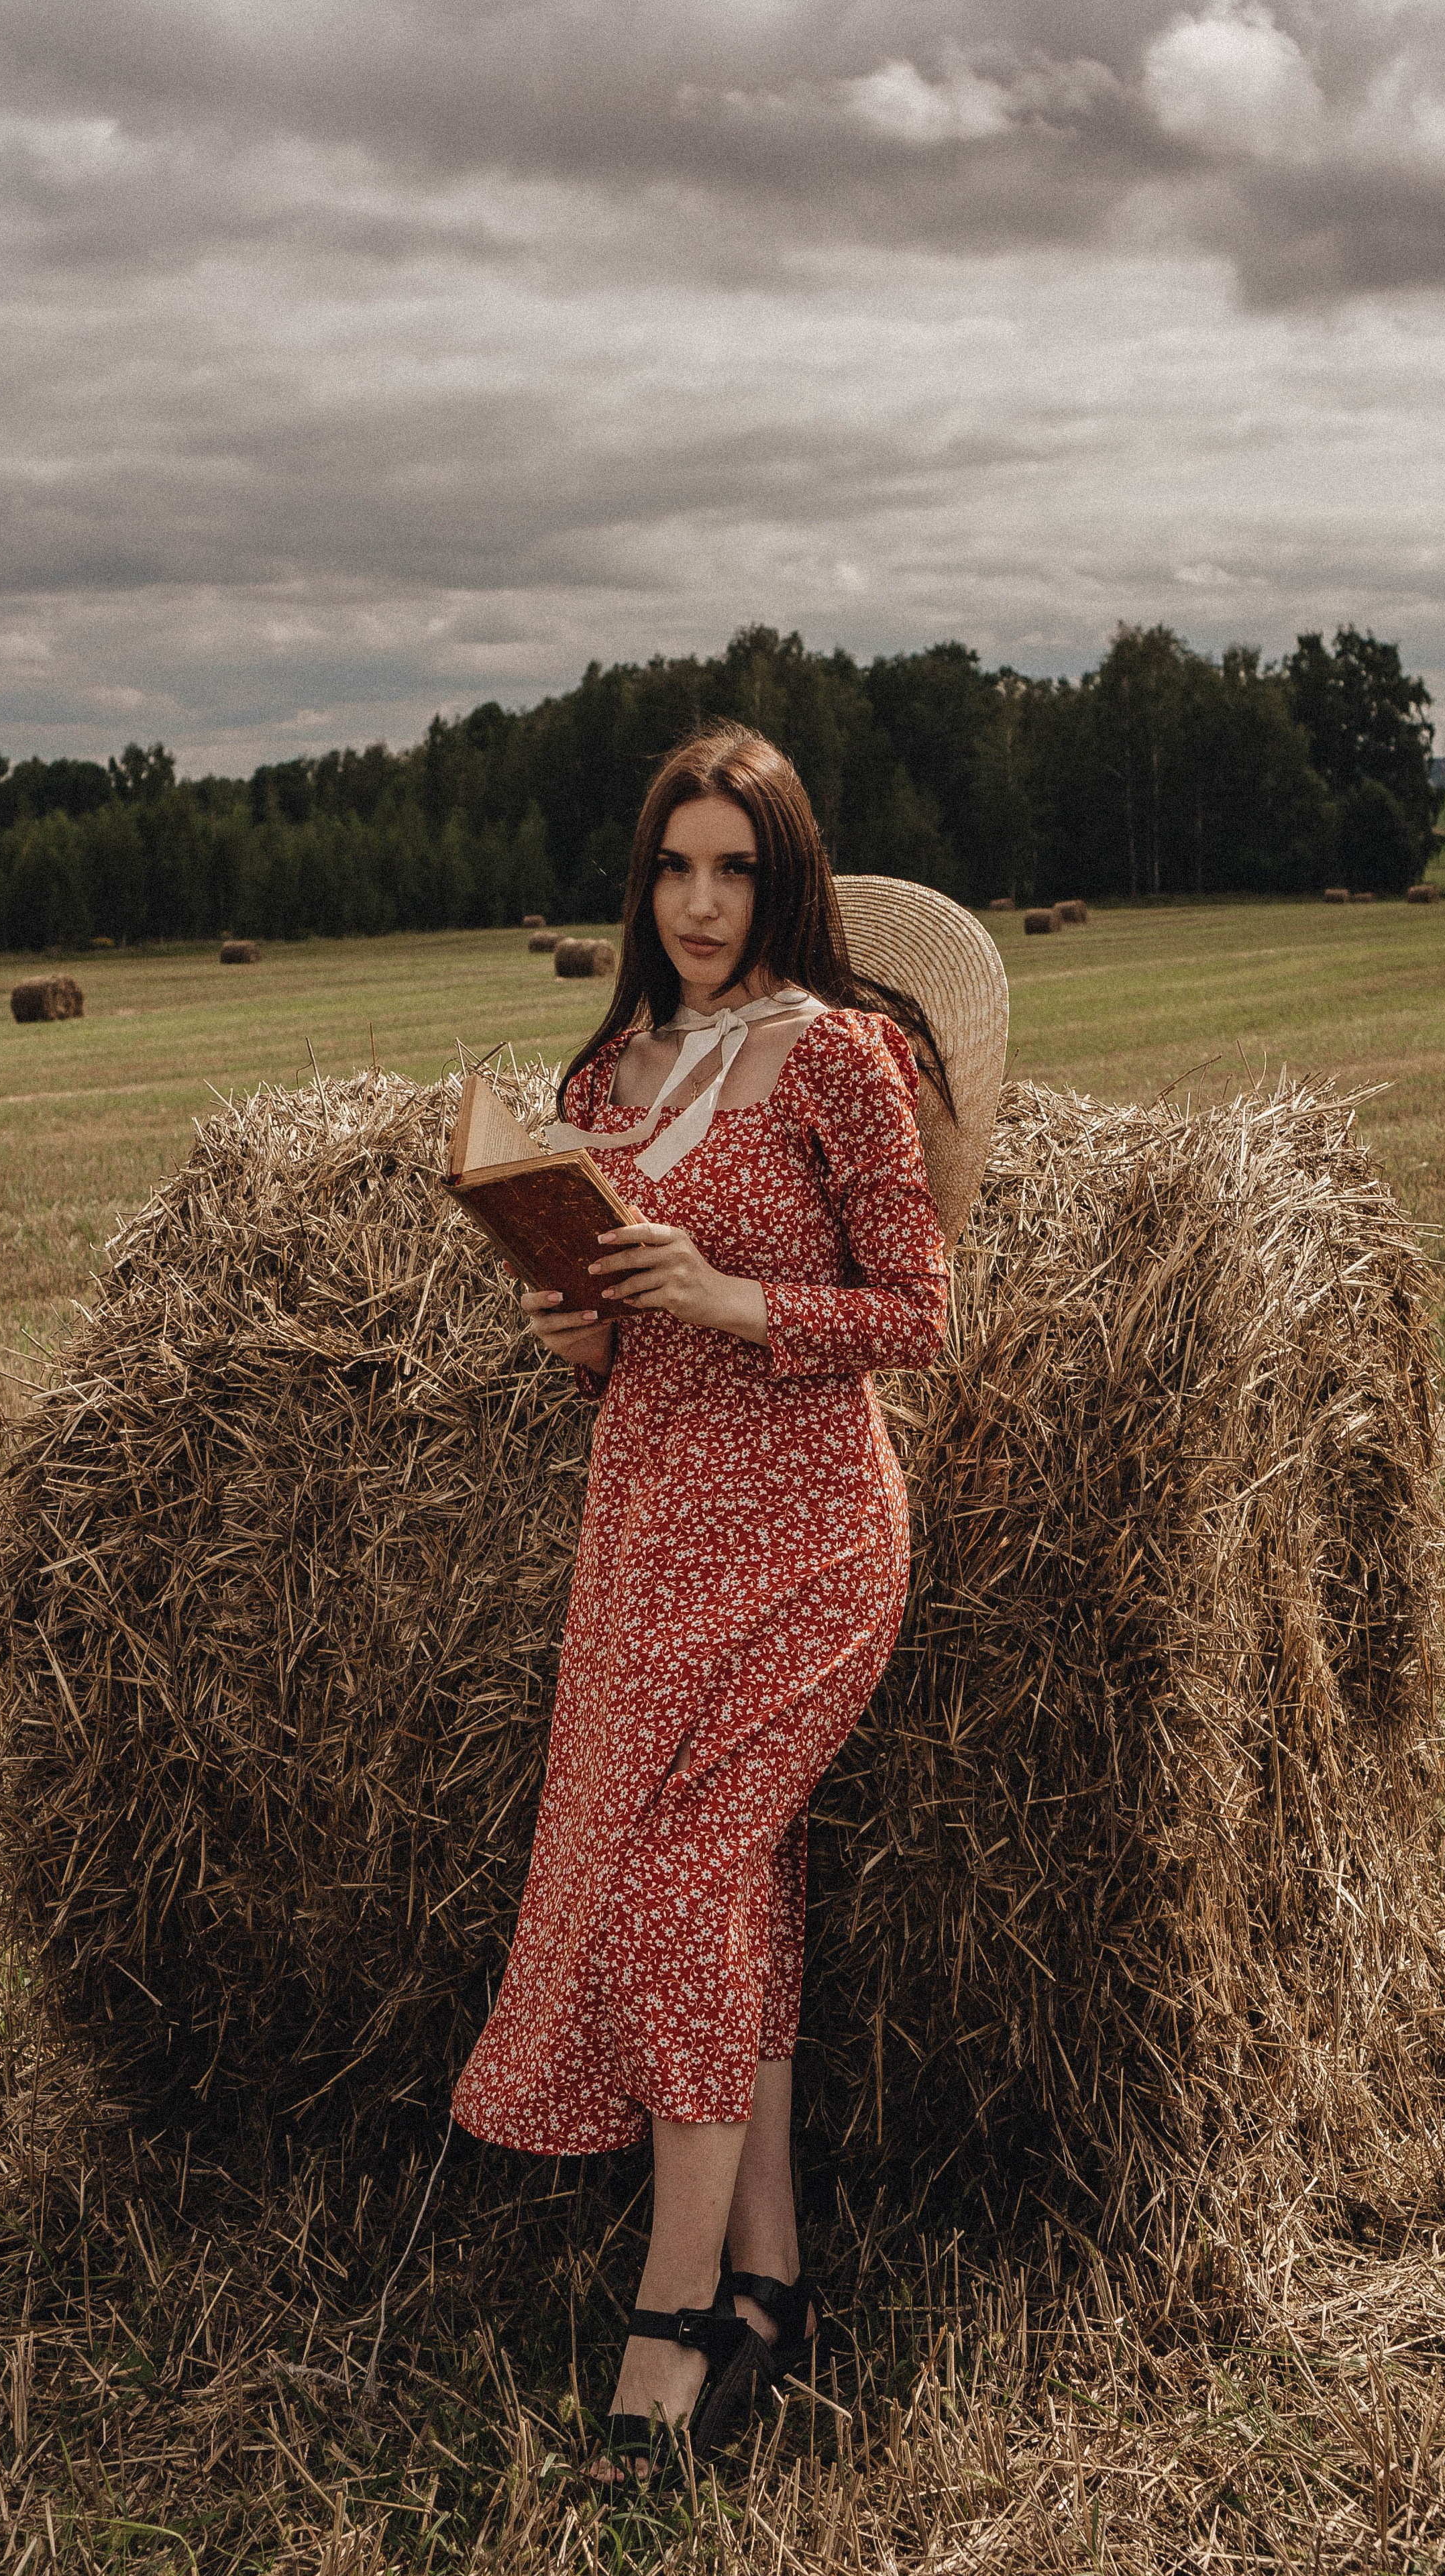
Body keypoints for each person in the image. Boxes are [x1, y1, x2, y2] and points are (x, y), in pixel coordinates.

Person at [449, 723, 954, 2478]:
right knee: (742, 1890)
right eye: (675, 865)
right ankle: (772, 2286)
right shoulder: (606, 1085)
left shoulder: (842, 1061)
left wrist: (734, 1301)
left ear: (785, 879)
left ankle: (666, 2325)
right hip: (647, 1530)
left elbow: (916, 1314)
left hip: (810, 1531)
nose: (700, 901)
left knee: (681, 1878)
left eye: (735, 867)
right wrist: (577, 1326)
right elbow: (612, 1347)